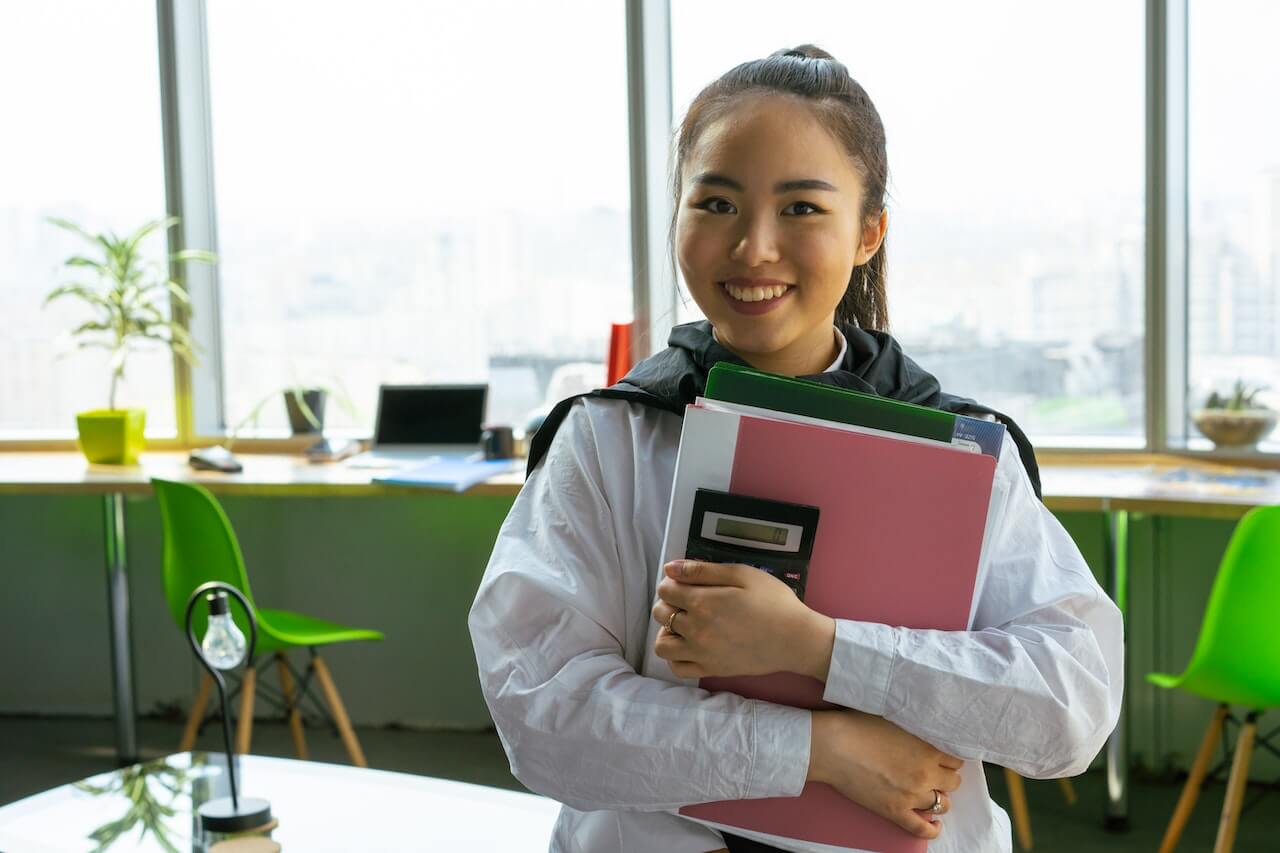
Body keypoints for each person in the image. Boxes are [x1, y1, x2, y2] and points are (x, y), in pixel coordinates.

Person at [469, 45, 1123, 853]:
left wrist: (817, 646)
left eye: (802, 209)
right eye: (716, 203)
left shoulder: (959, 451)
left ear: (868, 232)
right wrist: (824, 752)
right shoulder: (607, 439)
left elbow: (1069, 712)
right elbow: (542, 712)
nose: (753, 249)